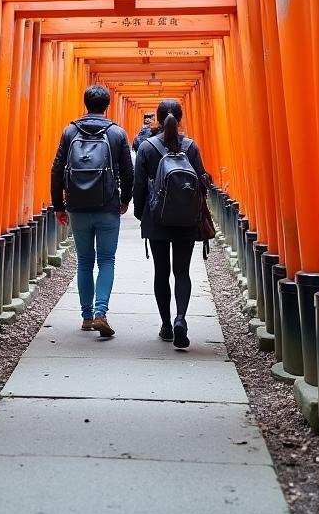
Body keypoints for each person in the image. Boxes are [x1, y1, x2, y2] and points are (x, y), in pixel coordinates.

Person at [51, 84, 134, 338]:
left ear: (85, 104)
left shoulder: (69, 131)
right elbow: (128, 172)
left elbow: (56, 170)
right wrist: (125, 200)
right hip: (107, 204)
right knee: (106, 260)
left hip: (77, 205)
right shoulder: (117, 133)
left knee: (85, 261)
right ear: (107, 106)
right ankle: (101, 312)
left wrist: (59, 205)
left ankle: (86, 317)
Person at [133, 99, 210, 350]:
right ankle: (181, 318)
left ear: (156, 119)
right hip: (186, 219)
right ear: (181, 118)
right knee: (182, 272)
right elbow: (201, 181)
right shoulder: (191, 147)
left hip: (157, 218)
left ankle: (166, 325)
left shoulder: (146, 148)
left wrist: (140, 212)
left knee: (161, 271)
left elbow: (139, 186)